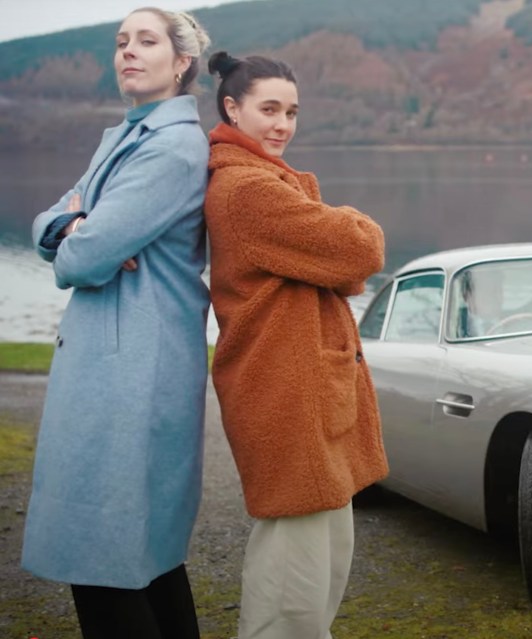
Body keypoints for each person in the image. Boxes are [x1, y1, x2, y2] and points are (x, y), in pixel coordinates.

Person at [22, 8, 211, 639]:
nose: (128, 51)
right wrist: (73, 226)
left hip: (134, 367)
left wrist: (79, 235)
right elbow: (49, 224)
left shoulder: (173, 146)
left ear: (181, 62)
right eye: (121, 41)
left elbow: (84, 257)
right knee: (141, 557)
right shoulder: (126, 137)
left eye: (146, 41)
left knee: (105, 555)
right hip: (117, 358)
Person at [203, 51, 388, 639]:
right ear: (232, 108)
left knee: (322, 554)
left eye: (291, 112)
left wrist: (329, 253)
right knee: (294, 579)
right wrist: (345, 224)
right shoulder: (248, 189)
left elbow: (340, 267)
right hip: (283, 393)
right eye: (269, 109)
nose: (283, 124)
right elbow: (362, 253)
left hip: (303, 387)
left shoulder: (268, 183)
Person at [458, 268, 506, 336]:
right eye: (486, 290)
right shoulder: (456, 326)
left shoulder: (517, 323)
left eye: (498, 290)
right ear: (467, 296)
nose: (496, 298)